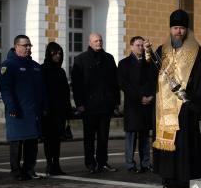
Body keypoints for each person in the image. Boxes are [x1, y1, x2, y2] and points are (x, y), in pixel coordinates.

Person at [144, 9, 201, 188]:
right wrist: (148, 56)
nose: (178, 31)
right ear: (170, 29)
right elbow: (151, 73)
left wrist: (191, 99)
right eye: (175, 28)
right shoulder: (162, 50)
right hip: (162, 107)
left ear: (186, 30)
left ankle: (183, 177)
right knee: (165, 143)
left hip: (185, 107)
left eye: (181, 28)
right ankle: (168, 177)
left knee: (183, 143)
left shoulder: (195, 51)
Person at [71, 33, 120, 173]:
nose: (99, 43)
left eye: (100, 40)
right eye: (96, 41)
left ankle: (103, 162)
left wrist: (116, 102)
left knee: (104, 137)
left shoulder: (109, 58)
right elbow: (76, 85)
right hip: (88, 106)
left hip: (105, 105)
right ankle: (90, 163)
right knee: (89, 137)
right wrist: (79, 103)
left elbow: (114, 82)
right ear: (90, 42)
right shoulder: (80, 59)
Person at [0, 35, 45, 180]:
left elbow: (42, 90)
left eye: (29, 45)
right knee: (17, 142)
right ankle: (16, 171)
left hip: (33, 112)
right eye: (25, 45)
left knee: (32, 142)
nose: (28, 48)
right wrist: (11, 106)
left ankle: (29, 169)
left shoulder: (35, 66)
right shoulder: (9, 65)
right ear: (16, 46)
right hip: (17, 111)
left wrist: (44, 106)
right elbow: (5, 89)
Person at [118, 36, 157, 173]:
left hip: (147, 103)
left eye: (142, 45)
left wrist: (151, 96)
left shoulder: (149, 62)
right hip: (133, 105)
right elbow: (124, 85)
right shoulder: (124, 63)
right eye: (138, 45)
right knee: (131, 136)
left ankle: (145, 163)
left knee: (145, 136)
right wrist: (140, 97)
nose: (140, 48)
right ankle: (130, 164)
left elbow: (154, 81)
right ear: (131, 46)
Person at [41, 42, 72, 176]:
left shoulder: (61, 71)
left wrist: (68, 110)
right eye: (54, 53)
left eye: (60, 53)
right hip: (48, 111)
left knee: (57, 140)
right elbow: (41, 91)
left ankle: (56, 165)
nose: (57, 56)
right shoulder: (43, 70)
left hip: (59, 111)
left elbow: (66, 92)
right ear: (49, 54)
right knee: (49, 139)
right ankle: (49, 165)